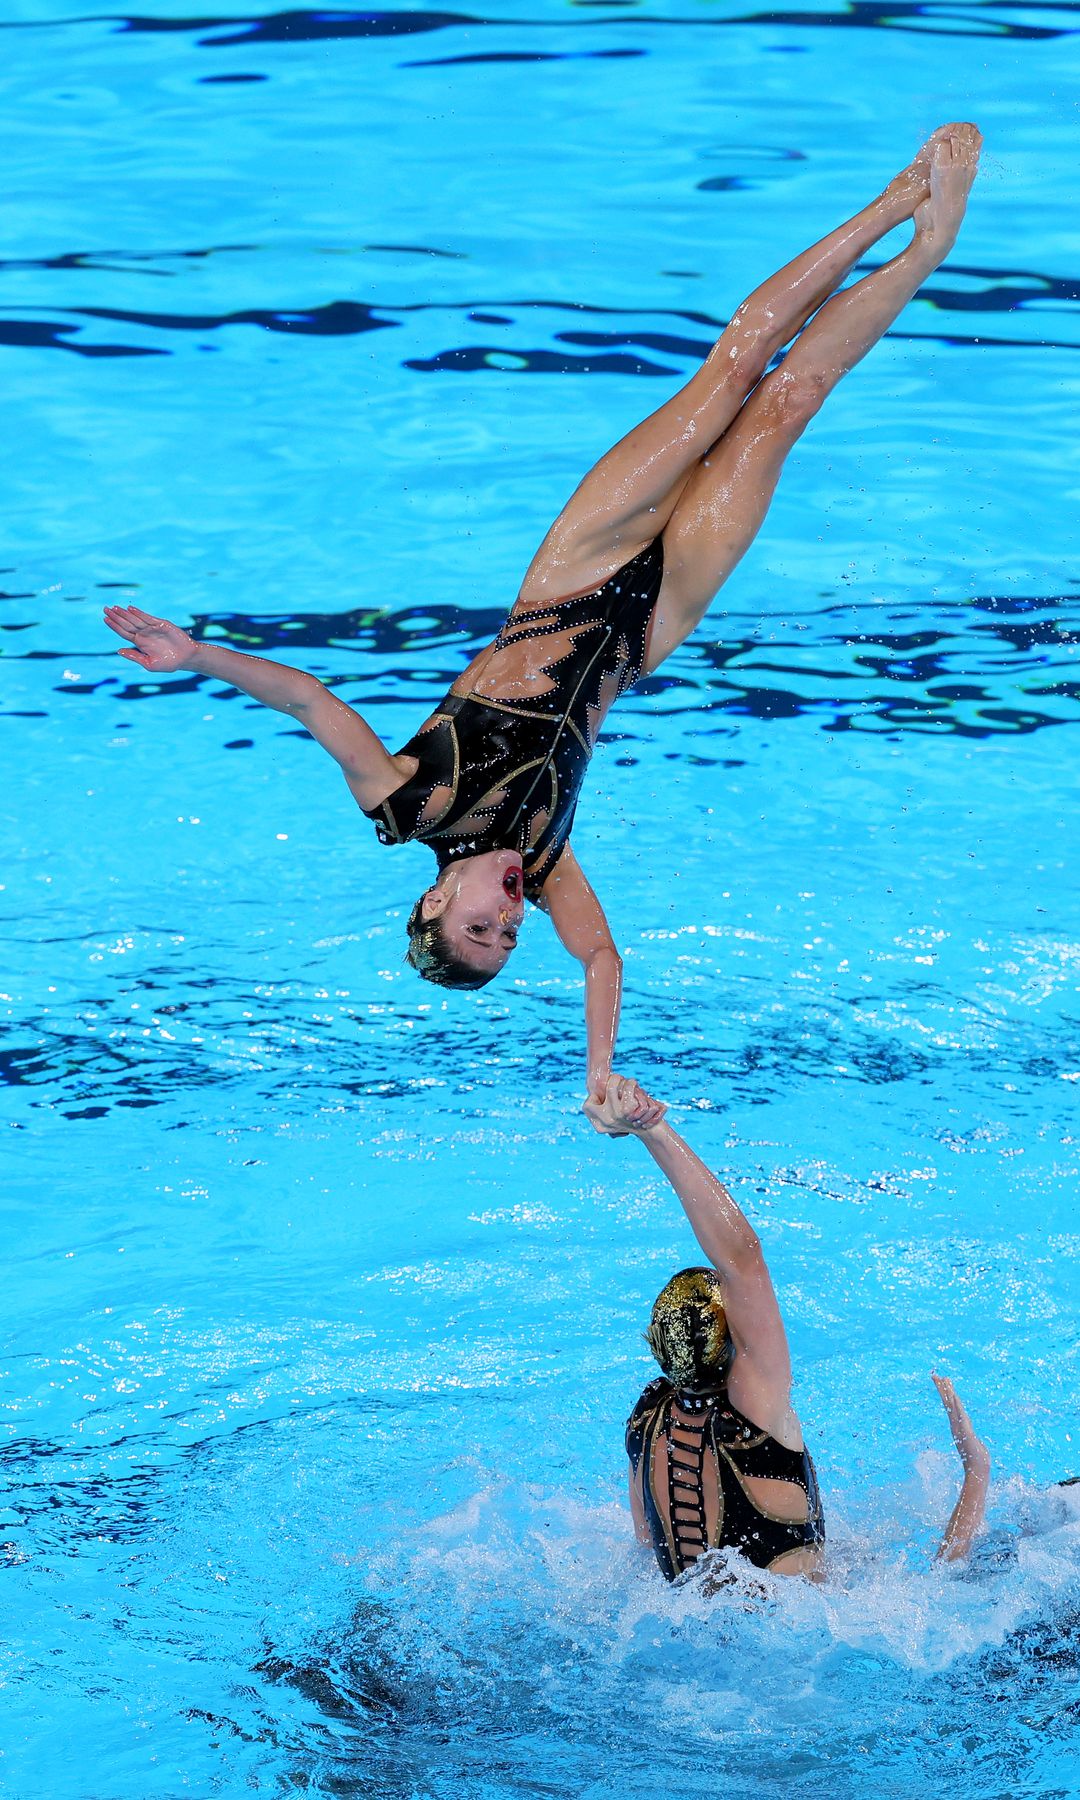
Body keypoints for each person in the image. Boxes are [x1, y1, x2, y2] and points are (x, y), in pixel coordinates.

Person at [104, 126, 981, 1103]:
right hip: (651, 628)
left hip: (572, 578)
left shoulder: (410, 802)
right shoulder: (549, 860)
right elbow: (600, 959)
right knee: (790, 402)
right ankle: (927, 251)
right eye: (508, 941)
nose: (508, 922)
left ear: (434, 897)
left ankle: (895, 200)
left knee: (733, 370)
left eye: (479, 926)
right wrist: (601, 1073)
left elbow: (311, 701)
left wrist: (198, 656)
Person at [585, 1075, 991, 1581]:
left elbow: (646, 1545)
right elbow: (744, 1258)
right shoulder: (756, 1413)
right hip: (802, 1647)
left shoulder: (648, 1418)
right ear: (736, 1343)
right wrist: (654, 1130)